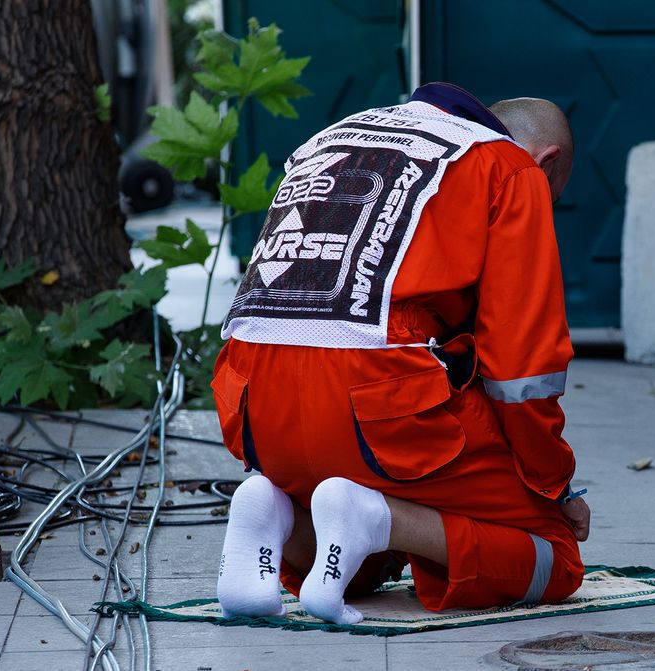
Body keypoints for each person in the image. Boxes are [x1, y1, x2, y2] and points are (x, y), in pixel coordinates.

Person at [211, 82, 591, 625]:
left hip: (254, 410)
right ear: (547, 163)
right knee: (554, 556)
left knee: (362, 569)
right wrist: (554, 483)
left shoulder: (335, 137)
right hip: (375, 405)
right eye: (554, 197)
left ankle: (271, 514)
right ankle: (372, 513)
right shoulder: (509, 169)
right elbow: (522, 369)